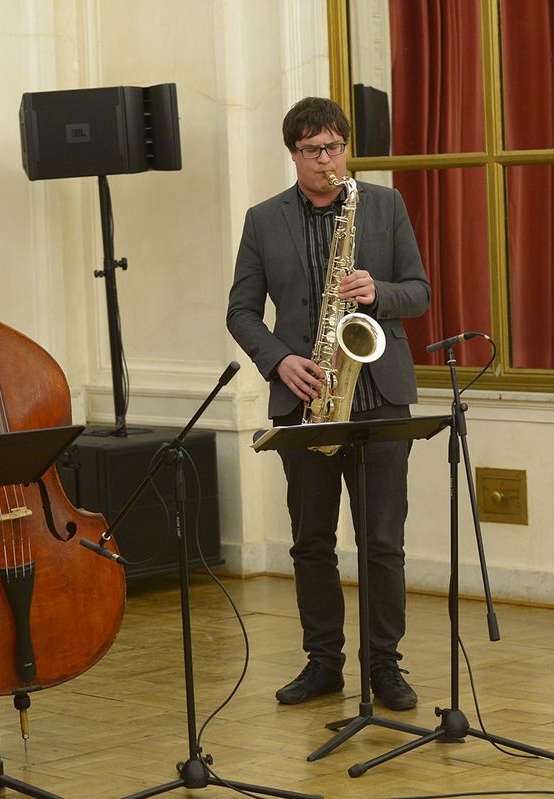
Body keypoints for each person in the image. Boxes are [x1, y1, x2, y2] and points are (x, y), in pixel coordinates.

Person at [226, 97, 431, 709]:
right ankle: (323, 663)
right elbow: (241, 311)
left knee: (382, 543)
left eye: (335, 147)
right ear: (293, 154)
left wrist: (379, 292)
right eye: (313, 150)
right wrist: (279, 361)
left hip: (377, 397)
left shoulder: (384, 205)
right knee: (311, 541)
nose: (326, 160)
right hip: (307, 401)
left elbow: (419, 292)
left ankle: (384, 666)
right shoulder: (263, 220)